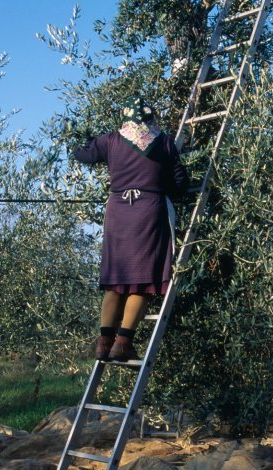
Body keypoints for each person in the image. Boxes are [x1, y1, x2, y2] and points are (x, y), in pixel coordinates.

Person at [72, 96, 189, 362]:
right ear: (150, 117)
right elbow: (179, 182)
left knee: (115, 281)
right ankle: (123, 343)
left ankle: (104, 343)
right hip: (148, 212)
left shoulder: (111, 140)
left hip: (118, 212)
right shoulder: (163, 141)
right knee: (141, 283)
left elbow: (83, 154)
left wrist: (79, 137)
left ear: (125, 117)